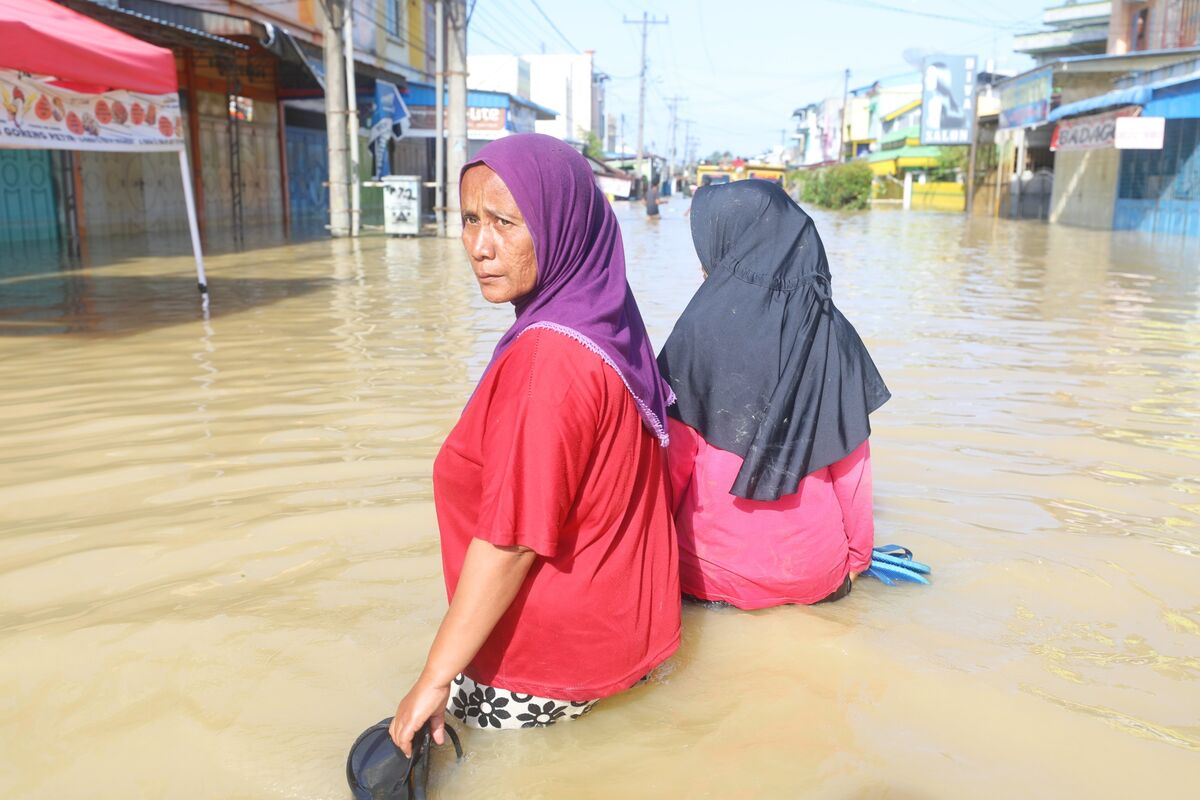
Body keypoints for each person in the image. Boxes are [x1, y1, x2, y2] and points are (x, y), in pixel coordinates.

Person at [388, 134, 680, 754]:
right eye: (469, 220)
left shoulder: (548, 363)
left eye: (505, 222)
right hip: (624, 643)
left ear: (561, 225)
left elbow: (512, 538)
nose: (480, 247)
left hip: (541, 672)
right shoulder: (607, 318)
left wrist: (433, 679)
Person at [658, 180, 891, 610]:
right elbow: (853, 467)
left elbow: (671, 468)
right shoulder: (831, 332)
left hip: (707, 577)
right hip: (815, 576)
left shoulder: (697, 332)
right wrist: (858, 557)